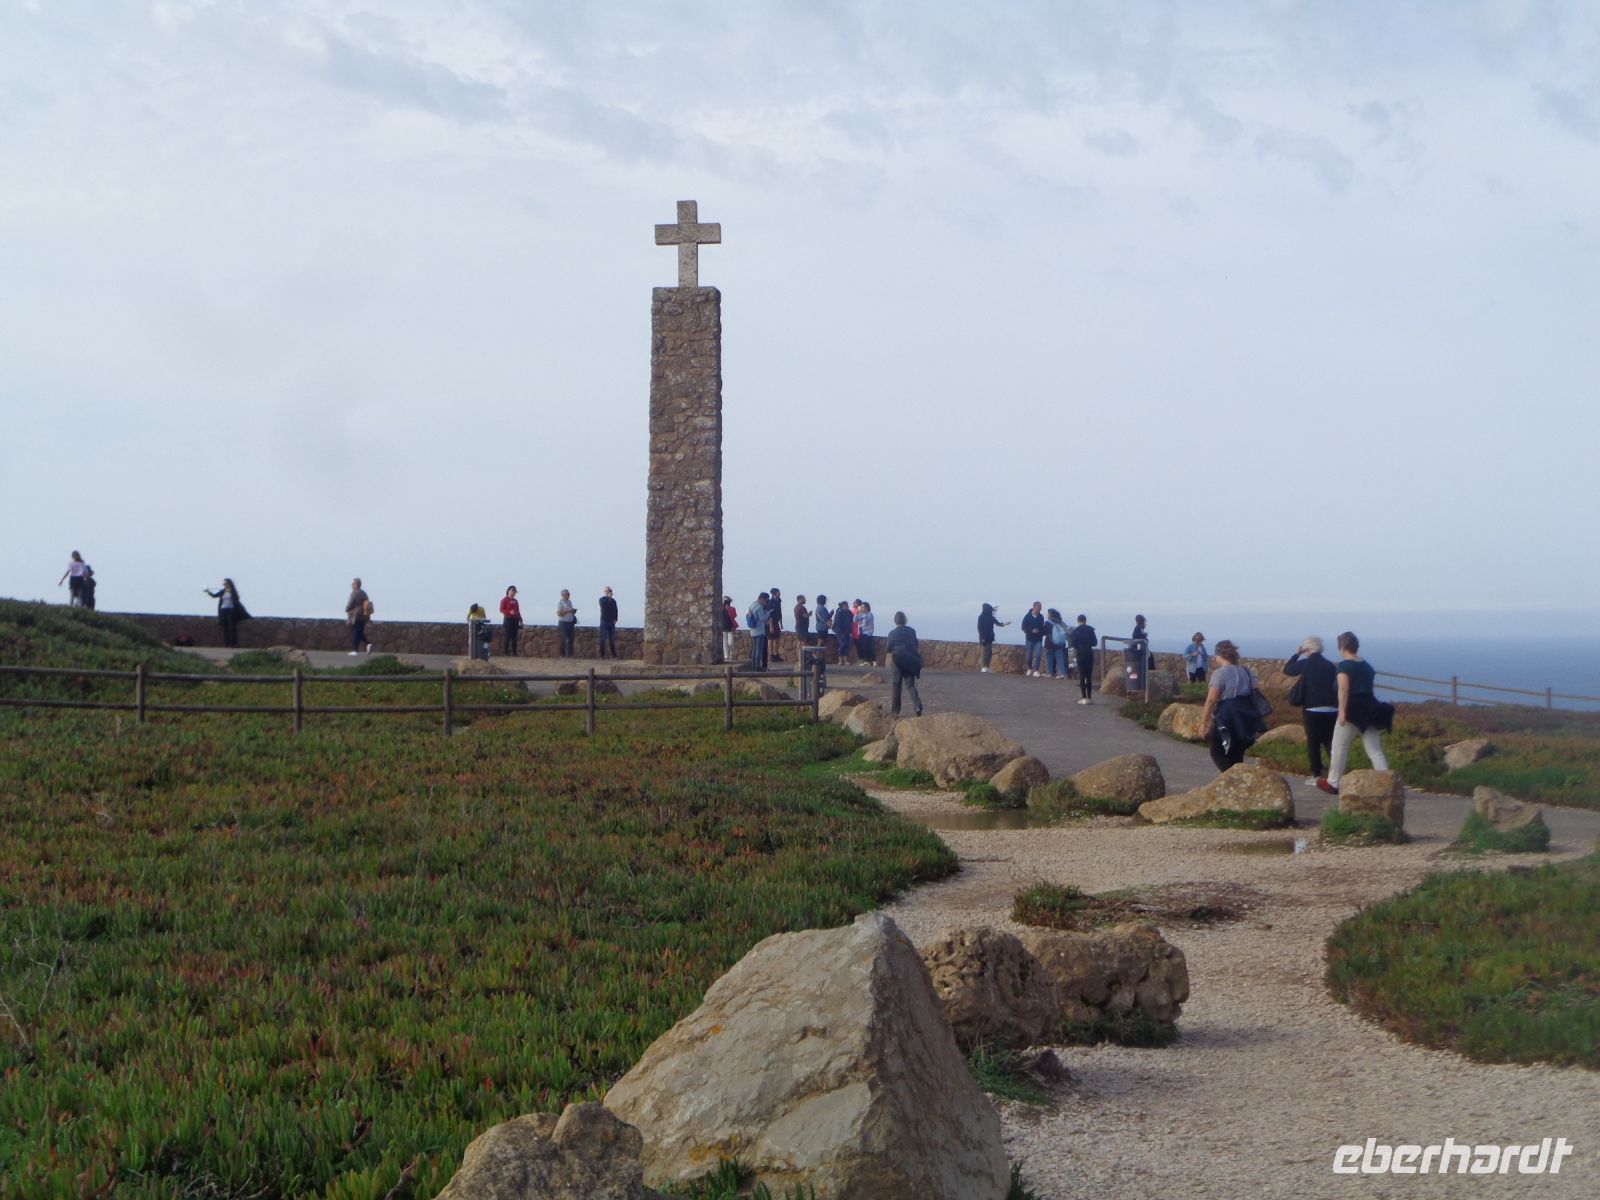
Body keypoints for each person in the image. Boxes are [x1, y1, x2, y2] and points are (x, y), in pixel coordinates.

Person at [1321, 631, 1392, 795]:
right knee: (1374, 749)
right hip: (1370, 709)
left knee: (1339, 747)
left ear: (1342, 647)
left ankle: (1333, 782)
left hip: (1352, 710)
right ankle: (1387, 780)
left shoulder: (1344, 666)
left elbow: (1344, 689)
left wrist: (1342, 712)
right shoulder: (1366, 666)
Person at [1198, 640, 1265, 772]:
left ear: (1220, 655)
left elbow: (1211, 700)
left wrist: (1203, 723)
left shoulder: (1220, 674)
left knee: (1217, 752)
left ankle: (1230, 777)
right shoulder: (1247, 671)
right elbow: (1256, 689)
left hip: (1226, 717)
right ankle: (1237, 778)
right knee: (1236, 753)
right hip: (1244, 717)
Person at [1285, 636, 1339, 786]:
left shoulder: (1306, 663)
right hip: (1332, 708)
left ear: (1307, 650)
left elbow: (1287, 670)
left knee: (1313, 742)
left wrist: (1296, 654)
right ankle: (1335, 775)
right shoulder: (1330, 665)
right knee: (1330, 742)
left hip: (1312, 708)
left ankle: (1316, 774)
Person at [885, 611, 924, 716]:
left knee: (897, 685)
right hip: (911, 660)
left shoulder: (892, 633)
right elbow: (915, 644)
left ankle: (895, 711)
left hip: (898, 661)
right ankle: (917, 706)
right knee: (911, 685)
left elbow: (887, 648)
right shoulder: (912, 631)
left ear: (895, 621)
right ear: (905, 620)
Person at [204, 578, 250, 648]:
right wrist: (208, 592)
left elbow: (237, 599)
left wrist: (231, 592)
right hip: (223, 610)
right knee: (225, 627)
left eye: (225, 584)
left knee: (232, 627)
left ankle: (233, 643)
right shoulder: (222, 591)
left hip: (231, 610)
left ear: (229, 584)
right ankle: (227, 643)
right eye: (224, 584)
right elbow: (214, 596)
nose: (224, 585)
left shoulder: (233, 591)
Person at [1068, 614, 1098, 702]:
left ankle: (1083, 698)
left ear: (1078, 621)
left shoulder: (1074, 632)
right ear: (1085, 621)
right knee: (1088, 676)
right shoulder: (1090, 630)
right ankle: (1089, 698)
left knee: (1082, 676)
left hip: (1080, 654)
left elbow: (1072, 645)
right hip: (1089, 653)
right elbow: (1095, 643)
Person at [976, 603, 1008, 672]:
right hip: (984, 637)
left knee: (989, 652)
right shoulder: (981, 617)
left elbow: (997, 623)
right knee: (985, 652)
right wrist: (982, 637)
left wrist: (1004, 624)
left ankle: (987, 666)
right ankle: (984, 667)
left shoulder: (990, 617)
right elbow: (979, 628)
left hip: (990, 637)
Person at [345, 578, 372, 654]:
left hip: (356, 616)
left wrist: (347, 609)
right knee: (359, 632)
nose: (352, 585)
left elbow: (350, 604)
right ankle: (368, 643)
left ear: (356, 585)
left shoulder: (354, 593)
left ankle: (356, 650)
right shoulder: (364, 593)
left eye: (353, 584)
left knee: (355, 632)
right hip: (364, 616)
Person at [1021, 601, 1047, 677]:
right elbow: (1023, 627)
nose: (1041, 608)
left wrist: (1040, 631)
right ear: (1035, 607)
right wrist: (1031, 631)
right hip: (1029, 638)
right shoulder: (1027, 616)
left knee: (1038, 654)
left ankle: (1036, 670)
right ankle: (1029, 668)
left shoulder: (1041, 617)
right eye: (1039, 607)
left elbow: (1042, 627)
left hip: (1038, 639)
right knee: (1029, 655)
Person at [747, 592, 771, 670]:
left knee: (754, 650)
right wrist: (768, 613)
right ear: (762, 599)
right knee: (759, 650)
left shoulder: (752, 605)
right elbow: (762, 618)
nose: (766, 602)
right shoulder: (759, 607)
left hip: (752, 631)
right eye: (766, 600)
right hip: (760, 631)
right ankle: (757, 667)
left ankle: (753, 666)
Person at [1125, 615, 1150, 687]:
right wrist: (1144, 636)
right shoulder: (1137, 628)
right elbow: (1135, 636)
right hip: (1138, 648)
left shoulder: (1139, 628)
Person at [1045, 608, 1070, 679]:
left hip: (1049, 643)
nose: (1047, 615)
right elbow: (1066, 631)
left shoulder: (1048, 622)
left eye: (1048, 613)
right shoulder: (1061, 622)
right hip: (1059, 644)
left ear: (1050, 615)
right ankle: (1062, 673)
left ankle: (1049, 673)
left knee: (1049, 658)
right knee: (1060, 659)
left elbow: (1044, 632)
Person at [499, 586, 523, 657]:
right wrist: (509, 612)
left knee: (514, 637)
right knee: (508, 636)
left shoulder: (516, 601)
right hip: (508, 619)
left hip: (515, 620)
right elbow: (501, 610)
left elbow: (518, 611)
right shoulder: (504, 600)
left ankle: (514, 653)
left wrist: (520, 619)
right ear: (508, 591)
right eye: (512, 590)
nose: (514, 592)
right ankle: (505, 652)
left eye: (515, 591)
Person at [597, 587, 619, 658]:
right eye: (607, 591)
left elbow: (615, 610)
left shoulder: (613, 601)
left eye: (609, 591)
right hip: (604, 621)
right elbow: (603, 605)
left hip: (611, 622)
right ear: (605, 592)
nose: (608, 592)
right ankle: (602, 655)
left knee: (612, 639)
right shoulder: (602, 600)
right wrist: (608, 598)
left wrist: (615, 618)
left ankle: (614, 655)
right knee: (603, 638)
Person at [555, 591, 578, 656]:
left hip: (570, 622)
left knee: (571, 638)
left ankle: (570, 654)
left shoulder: (569, 602)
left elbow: (570, 612)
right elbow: (559, 613)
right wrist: (568, 611)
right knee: (563, 639)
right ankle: (562, 654)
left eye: (568, 594)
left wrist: (573, 611)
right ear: (563, 595)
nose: (568, 595)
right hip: (563, 622)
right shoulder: (560, 603)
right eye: (567, 594)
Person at [832, 597, 853, 665]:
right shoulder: (839, 613)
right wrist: (840, 633)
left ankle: (845, 660)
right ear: (844, 606)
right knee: (842, 645)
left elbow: (850, 622)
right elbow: (838, 624)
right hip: (840, 632)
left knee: (847, 646)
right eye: (847, 605)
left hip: (847, 632)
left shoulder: (849, 613)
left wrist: (850, 632)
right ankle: (840, 660)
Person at [855, 601, 877, 666]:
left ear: (867, 608)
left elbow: (867, 619)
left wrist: (862, 613)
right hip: (861, 632)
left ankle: (873, 661)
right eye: (861, 607)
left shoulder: (870, 614)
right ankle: (866, 661)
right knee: (863, 648)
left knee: (869, 648)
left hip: (868, 633)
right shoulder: (861, 614)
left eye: (863, 607)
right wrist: (857, 613)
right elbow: (855, 620)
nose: (861, 608)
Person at [720, 595, 738, 662]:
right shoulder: (721, 608)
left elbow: (734, 616)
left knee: (730, 643)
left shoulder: (732, 609)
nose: (726, 605)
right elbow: (720, 603)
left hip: (730, 628)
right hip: (723, 628)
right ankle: (726, 656)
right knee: (725, 643)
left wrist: (729, 609)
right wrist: (723, 599)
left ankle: (731, 655)